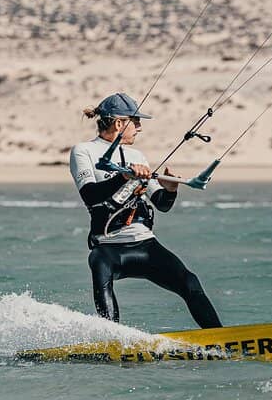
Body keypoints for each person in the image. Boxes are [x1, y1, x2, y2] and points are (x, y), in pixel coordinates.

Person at [69, 92, 221, 328]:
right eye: (136, 121)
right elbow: (90, 194)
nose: (139, 127)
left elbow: (161, 204)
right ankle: (113, 339)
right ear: (119, 123)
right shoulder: (83, 151)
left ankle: (220, 338)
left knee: (189, 281)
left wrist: (170, 190)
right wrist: (124, 176)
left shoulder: (137, 156)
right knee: (99, 268)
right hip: (109, 248)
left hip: (145, 245)